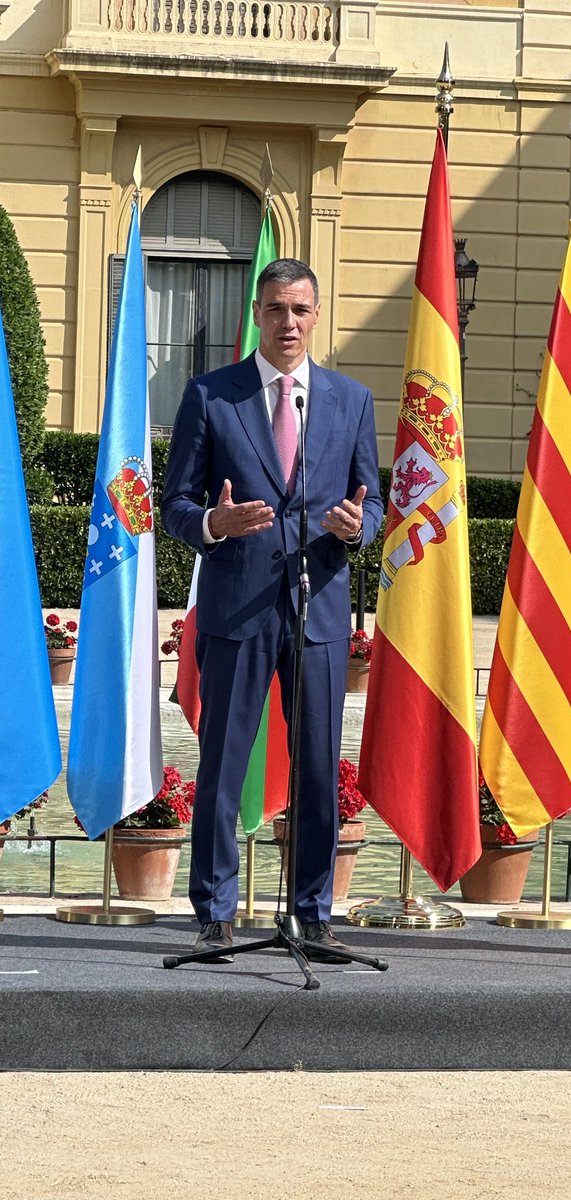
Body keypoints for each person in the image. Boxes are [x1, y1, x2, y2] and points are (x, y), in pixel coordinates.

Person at [161, 258, 383, 962]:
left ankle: (313, 913)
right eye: (276, 309)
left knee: (319, 769)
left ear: (317, 317)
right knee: (224, 764)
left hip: (317, 611)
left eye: (301, 310)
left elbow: (370, 499)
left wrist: (359, 527)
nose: (288, 323)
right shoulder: (211, 396)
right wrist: (215, 525)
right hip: (237, 608)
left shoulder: (349, 401)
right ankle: (215, 913)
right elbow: (176, 505)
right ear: (256, 314)